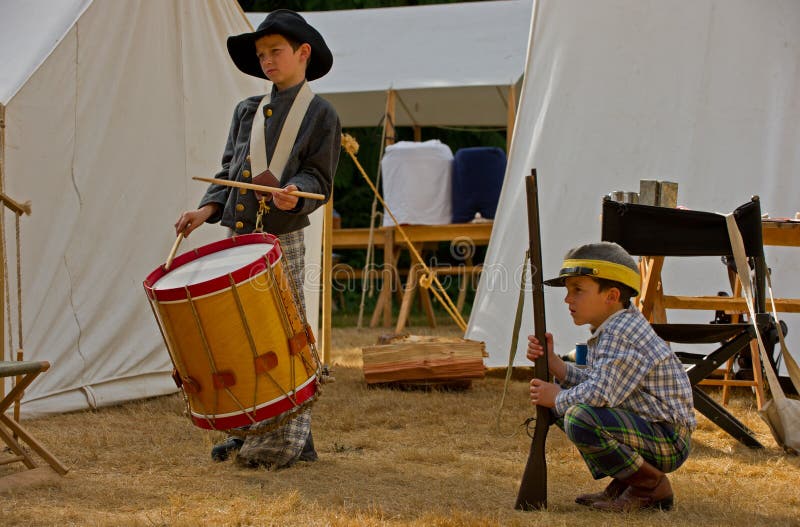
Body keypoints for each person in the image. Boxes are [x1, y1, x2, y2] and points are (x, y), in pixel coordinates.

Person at [174, 10, 341, 469]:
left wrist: (296, 195)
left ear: (303, 54)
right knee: (237, 338)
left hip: (281, 238)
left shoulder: (321, 113)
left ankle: (288, 439)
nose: (267, 60)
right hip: (239, 234)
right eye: (261, 54)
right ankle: (245, 429)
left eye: (276, 51)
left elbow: (319, 179)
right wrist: (204, 211)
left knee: (282, 336)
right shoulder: (246, 110)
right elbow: (228, 172)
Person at [526, 242, 695, 512]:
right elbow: (598, 381)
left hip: (668, 439)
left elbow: (600, 395)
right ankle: (625, 483)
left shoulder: (620, 334)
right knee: (569, 403)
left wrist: (557, 398)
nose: (567, 299)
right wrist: (556, 366)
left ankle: (649, 487)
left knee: (579, 416)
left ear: (612, 295)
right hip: (651, 428)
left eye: (577, 290)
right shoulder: (614, 327)